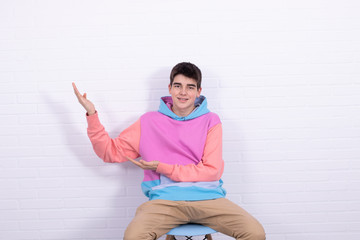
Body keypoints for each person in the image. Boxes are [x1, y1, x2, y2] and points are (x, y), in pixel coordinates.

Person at [73, 62, 265, 240]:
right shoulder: (149, 122)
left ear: (198, 92)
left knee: (255, 233)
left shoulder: (211, 121)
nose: (183, 92)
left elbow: (212, 170)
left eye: (190, 87)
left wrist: (162, 167)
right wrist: (91, 114)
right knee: (133, 237)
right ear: (170, 88)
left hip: (207, 198)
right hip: (164, 201)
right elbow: (109, 152)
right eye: (178, 85)